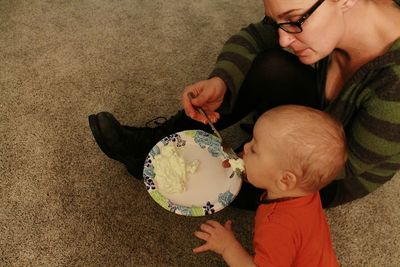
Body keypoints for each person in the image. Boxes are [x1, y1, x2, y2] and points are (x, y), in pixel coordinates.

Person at [88, 0, 400, 209]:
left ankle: (179, 167)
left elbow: (348, 162)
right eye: (278, 22)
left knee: (229, 185)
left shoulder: (395, 84)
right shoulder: (316, 18)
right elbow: (254, 37)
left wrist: (264, 157)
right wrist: (223, 81)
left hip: (332, 168)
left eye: (293, 20)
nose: (283, 38)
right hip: (311, 112)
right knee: (269, 66)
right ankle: (165, 140)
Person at [192, 105, 346, 267]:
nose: (245, 147)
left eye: (255, 149)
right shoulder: (306, 190)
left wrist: (227, 247)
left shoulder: (277, 227)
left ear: (285, 180)